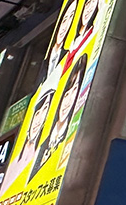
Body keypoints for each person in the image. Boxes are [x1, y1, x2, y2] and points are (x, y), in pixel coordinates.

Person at [30, 53, 87, 181]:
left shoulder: (74, 140)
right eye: (67, 93)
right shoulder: (39, 149)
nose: (68, 100)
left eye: (75, 90)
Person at [46, 0, 82, 77]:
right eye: (65, 19)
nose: (65, 26)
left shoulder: (69, 56)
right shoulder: (43, 61)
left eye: (71, 17)